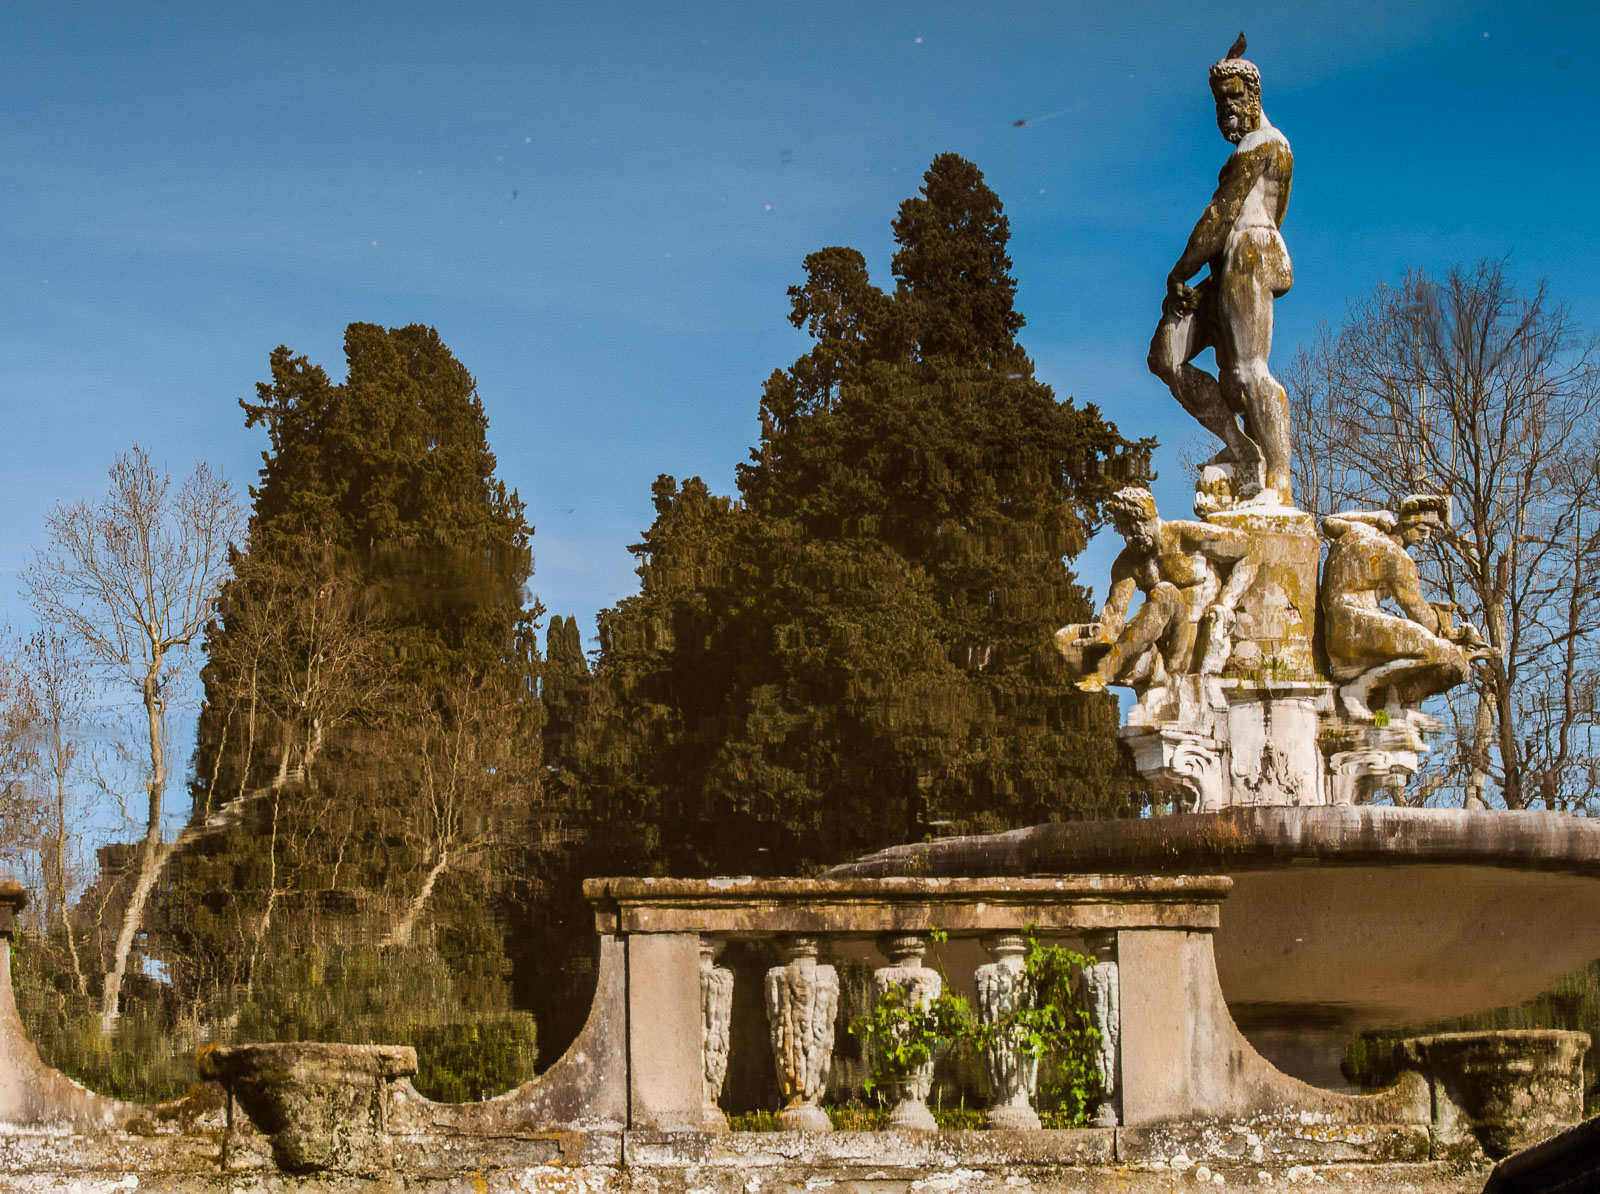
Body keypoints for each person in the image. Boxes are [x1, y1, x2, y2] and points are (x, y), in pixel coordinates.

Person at [1147, 38, 1294, 507]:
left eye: (1234, 96)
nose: (1226, 107)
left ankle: (1279, 483)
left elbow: (1222, 213)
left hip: (1248, 253)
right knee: (1165, 356)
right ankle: (1241, 449)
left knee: (1248, 374)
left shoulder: (1265, 145)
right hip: (1226, 263)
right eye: (1219, 100)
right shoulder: (1247, 150)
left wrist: (1180, 272)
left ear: (1254, 97)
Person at [1056, 488, 1255, 695]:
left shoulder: (1185, 535)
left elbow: (1249, 550)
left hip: (1191, 640)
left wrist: (1226, 601)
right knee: (1063, 636)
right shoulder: (1128, 562)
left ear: (1148, 517)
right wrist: (1099, 633)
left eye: (1133, 528)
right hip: (1156, 647)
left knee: (1165, 593)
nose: (1130, 537)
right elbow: (1114, 614)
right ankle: (1104, 669)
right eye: (1123, 530)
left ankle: (1107, 670)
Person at [1320, 496, 1490, 706]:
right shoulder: (1395, 557)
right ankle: (1368, 693)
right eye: (1422, 529)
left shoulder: (1360, 531)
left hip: (1333, 629)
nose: (1426, 537)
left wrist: (1374, 517)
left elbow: (1328, 522)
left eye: (1429, 531)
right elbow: (1420, 615)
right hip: (1355, 631)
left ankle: (1386, 699)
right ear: (1407, 523)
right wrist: (1450, 631)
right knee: (1447, 655)